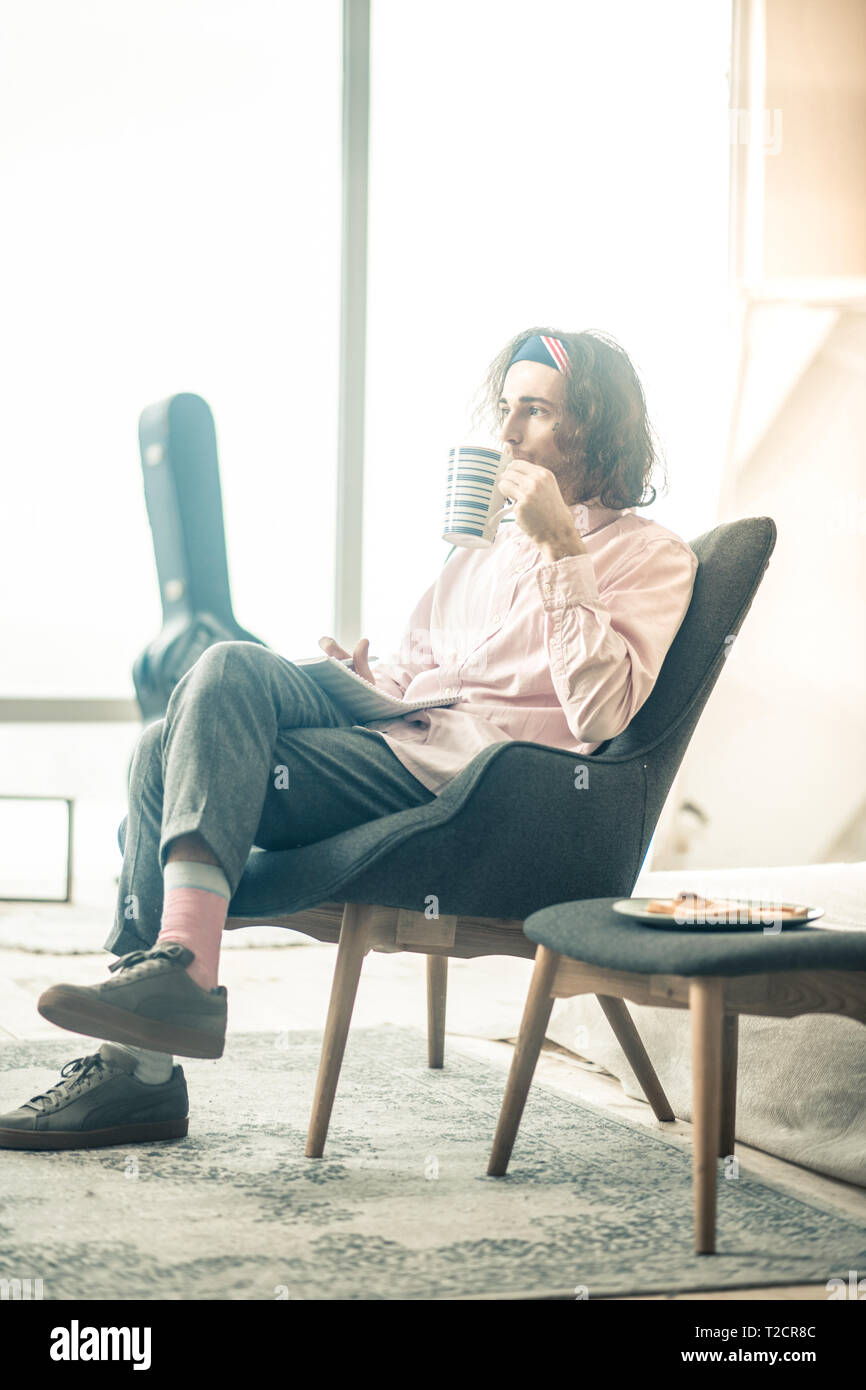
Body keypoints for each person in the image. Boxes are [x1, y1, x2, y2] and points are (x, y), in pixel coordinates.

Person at [0, 326, 698, 1150]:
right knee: (205, 693)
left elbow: (604, 714)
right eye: (505, 409)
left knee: (177, 733)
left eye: (535, 412)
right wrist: (366, 682)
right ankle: (158, 1018)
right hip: (396, 734)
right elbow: (417, 670)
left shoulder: (653, 559)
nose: (506, 433)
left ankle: (143, 1058)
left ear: (596, 428)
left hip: (473, 782)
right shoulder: (479, 550)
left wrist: (559, 548)